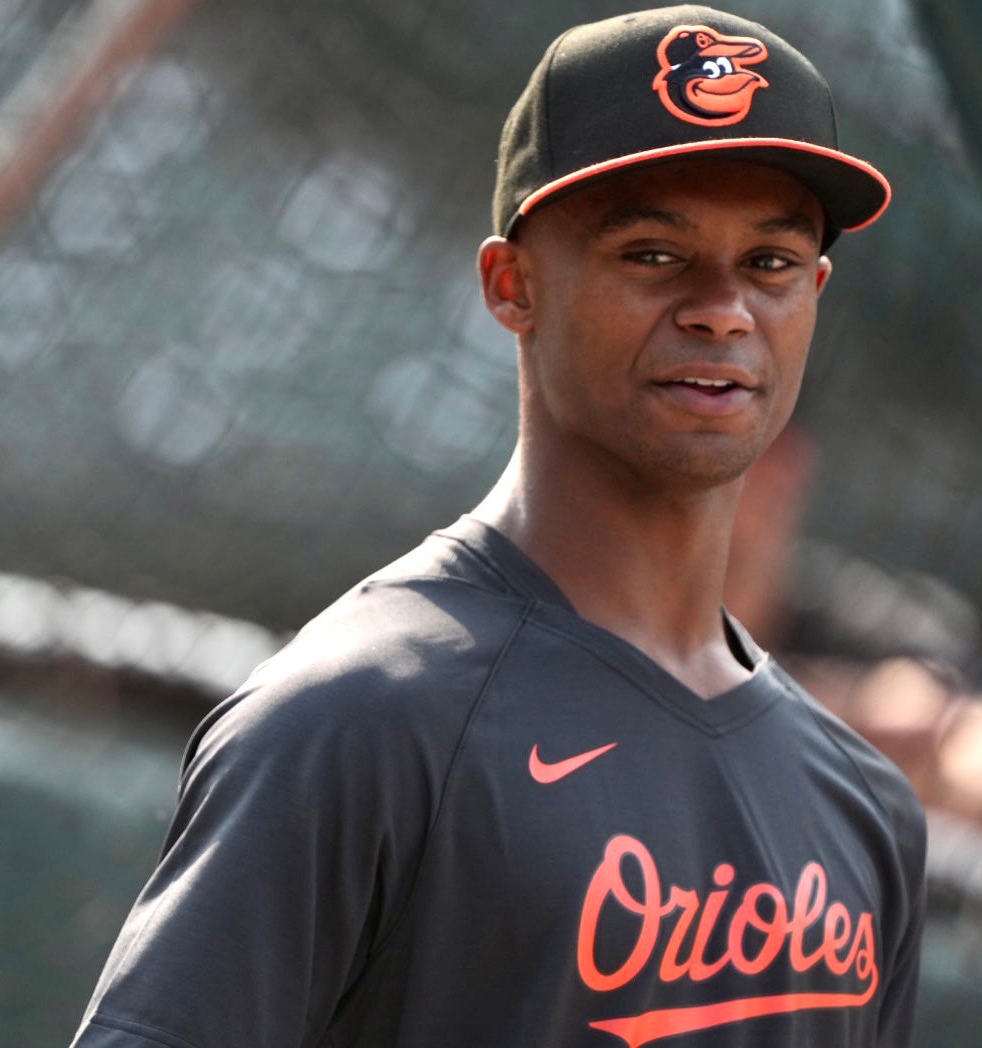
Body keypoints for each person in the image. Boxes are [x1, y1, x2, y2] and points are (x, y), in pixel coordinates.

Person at [71, 6, 926, 1046]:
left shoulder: (864, 807)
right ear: (510, 284)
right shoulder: (359, 720)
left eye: (772, 264)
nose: (722, 307)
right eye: (654, 255)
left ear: (815, 293)